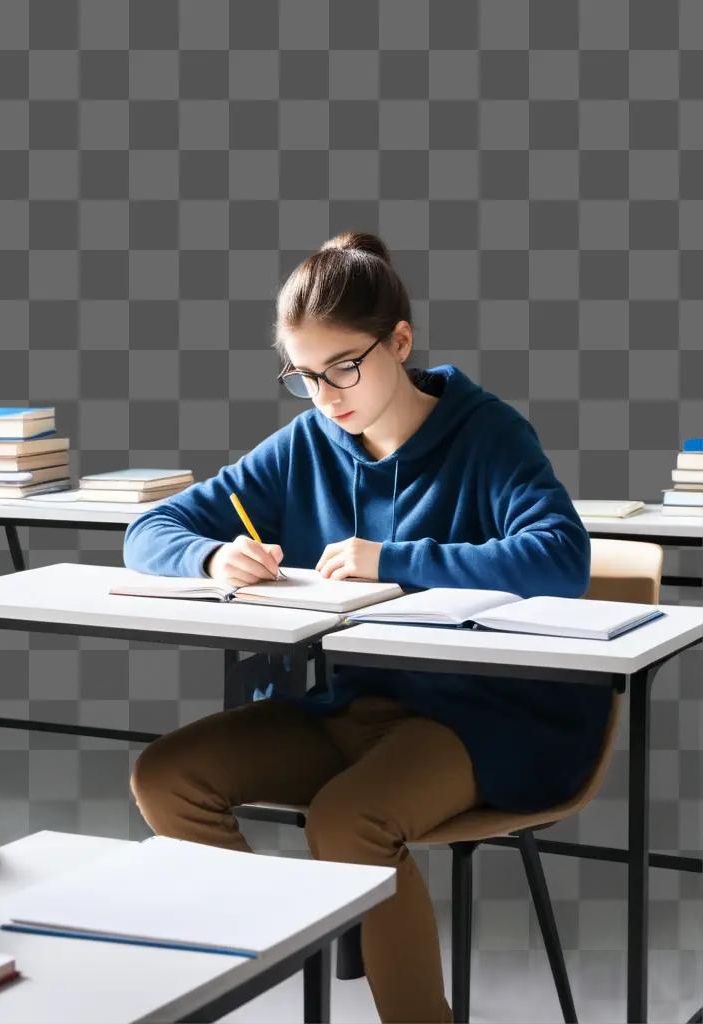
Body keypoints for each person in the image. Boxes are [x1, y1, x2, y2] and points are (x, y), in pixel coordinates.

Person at [122, 230, 608, 1023]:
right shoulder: (309, 442)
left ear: (401, 342)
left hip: (492, 718)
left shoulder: (486, 433)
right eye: (305, 376)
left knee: (349, 820)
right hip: (360, 709)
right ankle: (297, 948)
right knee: (168, 776)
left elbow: (559, 559)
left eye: (344, 366)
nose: (328, 396)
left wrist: (395, 559)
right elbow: (154, 529)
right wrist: (211, 557)